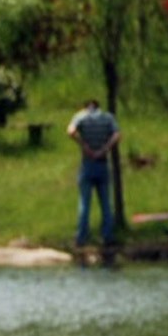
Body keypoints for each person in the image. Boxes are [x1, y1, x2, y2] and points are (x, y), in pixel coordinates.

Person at [68, 99, 120, 246]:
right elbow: (117, 135)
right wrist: (105, 149)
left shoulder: (81, 116)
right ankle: (108, 235)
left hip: (88, 163)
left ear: (86, 107)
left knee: (84, 202)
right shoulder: (108, 117)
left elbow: (71, 131)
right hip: (102, 162)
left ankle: (82, 237)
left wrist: (85, 147)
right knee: (105, 203)